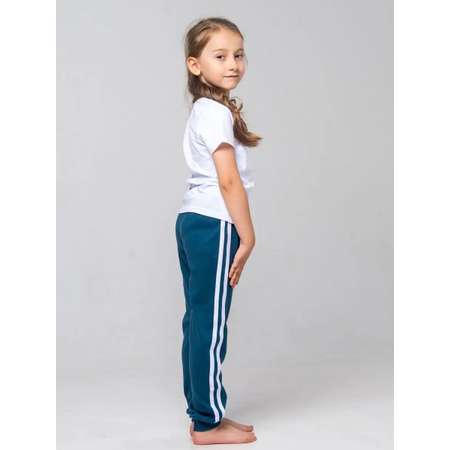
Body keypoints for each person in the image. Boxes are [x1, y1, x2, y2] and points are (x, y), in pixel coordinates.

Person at [175, 17, 262, 445]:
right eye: (220, 56)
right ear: (195, 65)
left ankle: (204, 412)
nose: (233, 64)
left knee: (198, 321)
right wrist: (248, 235)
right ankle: (208, 423)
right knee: (210, 326)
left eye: (238, 55)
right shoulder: (214, 113)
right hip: (215, 222)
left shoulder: (207, 111)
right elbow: (228, 180)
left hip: (194, 220)